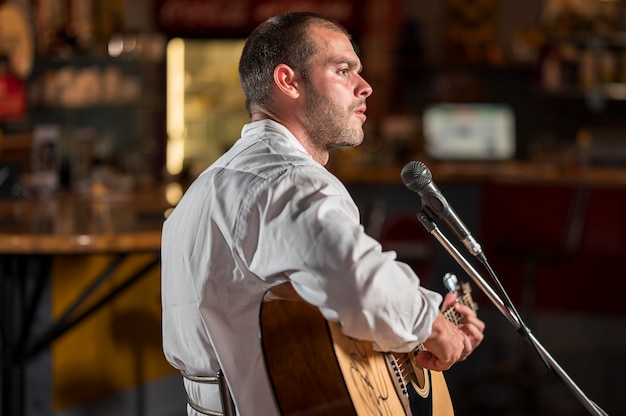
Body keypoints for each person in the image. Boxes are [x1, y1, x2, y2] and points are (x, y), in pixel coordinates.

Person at [161, 11, 485, 416]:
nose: (365, 87)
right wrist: (433, 327)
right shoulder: (288, 179)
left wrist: (422, 317)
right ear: (288, 81)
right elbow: (356, 279)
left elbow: (325, 296)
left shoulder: (211, 183)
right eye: (343, 70)